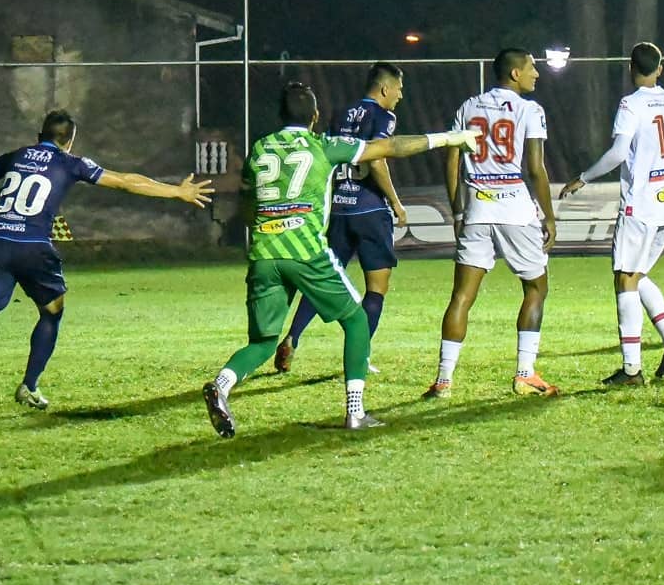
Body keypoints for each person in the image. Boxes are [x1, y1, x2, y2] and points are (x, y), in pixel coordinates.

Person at [202, 82, 479, 437]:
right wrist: (449, 138)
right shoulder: (324, 147)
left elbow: (248, 204)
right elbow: (390, 147)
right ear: (315, 118)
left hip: (264, 254)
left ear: (280, 116)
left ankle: (222, 384)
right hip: (305, 252)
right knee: (357, 321)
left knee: (263, 342)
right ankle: (355, 411)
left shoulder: (260, 148)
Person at [0, 109, 213, 409]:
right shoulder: (71, 163)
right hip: (33, 248)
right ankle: (29, 386)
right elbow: (124, 181)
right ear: (70, 141)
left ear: (38, 136)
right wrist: (177, 191)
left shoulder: (14, 156)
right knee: (52, 311)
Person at [559, 42, 664, 386]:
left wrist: (582, 178)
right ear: (660, 69)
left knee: (625, 279)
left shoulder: (631, 104)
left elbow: (618, 153)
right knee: (638, 275)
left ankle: (632, 370)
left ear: (631, 68)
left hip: (640, 204)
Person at [423, 49, 560, 399]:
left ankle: (443, 380)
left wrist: (457, 211)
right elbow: (535, 168)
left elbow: (451, 158)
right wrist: (548, 215)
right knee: (536, 289)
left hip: (478, 208)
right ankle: (525, 374)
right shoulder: (531, 110)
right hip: (514, 205)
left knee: (461, 296)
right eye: (532, 68)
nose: (537, 74)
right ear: (515, 73)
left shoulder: (468, 107)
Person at [275, 62, 407, 375]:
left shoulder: (341, 113)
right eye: (399, 89)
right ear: (385, 88)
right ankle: (359, 357)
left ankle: (292, 337)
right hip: (370, 210)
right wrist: (396, 202)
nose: (400, 96)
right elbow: (376, 161)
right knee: (377, 287)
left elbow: (329, 157)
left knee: (323, 281)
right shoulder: (383, 116)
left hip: (339, 208)